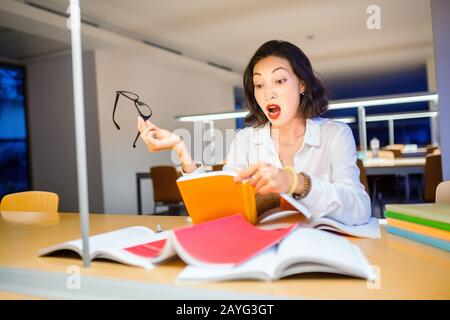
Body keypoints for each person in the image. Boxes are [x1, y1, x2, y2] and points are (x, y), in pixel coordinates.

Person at [137, 40, 371, 225]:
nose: (268, 93)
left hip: (322, 250)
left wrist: (296, 182)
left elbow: (359, 210)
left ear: (302, 84)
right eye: (259, 85)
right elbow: (220, 208)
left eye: (279, 81)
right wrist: (181, 149)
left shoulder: (336, 135)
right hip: (262, 251)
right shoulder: (245, 140)